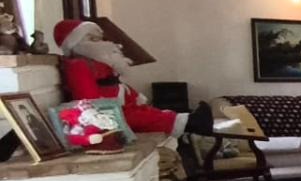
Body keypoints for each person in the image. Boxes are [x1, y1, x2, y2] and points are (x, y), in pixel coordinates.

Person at [53, 19, 214, 136]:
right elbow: (88, 98)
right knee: (143, 117)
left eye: (99, 39)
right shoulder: (78, 65)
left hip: (121, 105)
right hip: (109, 111)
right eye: (93, 39)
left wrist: (133, 97)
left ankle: (190, 121)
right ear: (76, 44)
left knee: (148, 113)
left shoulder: (96, 62)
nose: (101, 43)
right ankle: (190, 122)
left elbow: (115, 84)